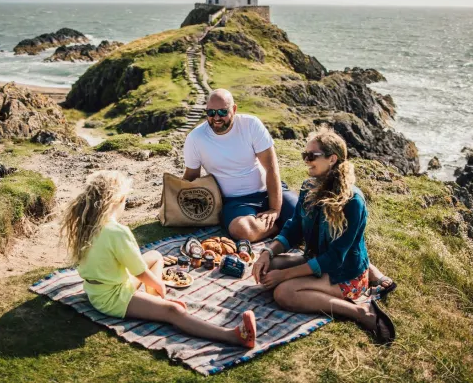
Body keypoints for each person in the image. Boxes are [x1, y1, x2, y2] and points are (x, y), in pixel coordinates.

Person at [60, 170, 258, 348]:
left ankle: (151, 302)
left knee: (155, 256)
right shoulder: (117, 232)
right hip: (112, 298)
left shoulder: (88, 224)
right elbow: (140, 272)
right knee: (173, 311)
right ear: (118, 200)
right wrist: (161, 287)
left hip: (97, 289)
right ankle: (233, 336)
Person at [252, 128, 396, 344]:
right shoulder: (308, 187)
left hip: (344, 273)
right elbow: (294, 228)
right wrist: (266, 252)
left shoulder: (352, 201)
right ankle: (296, 277)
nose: (306, 161)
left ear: (332, 159)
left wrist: (286, 275)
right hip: (315, 259)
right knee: (267, 268)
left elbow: (335, 258)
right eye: (305, 155)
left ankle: (360, 312)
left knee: (284, 293)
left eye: (312, 156)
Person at [182, 89, 298, 241]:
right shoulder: (195, 138)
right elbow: (191, 177)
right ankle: (284, 228)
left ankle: (282, 224)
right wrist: (173, 202)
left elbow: (271, 168)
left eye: (223, 112)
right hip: (235, 202)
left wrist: (275, 209)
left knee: (306, 213)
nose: (216, 117)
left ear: (234, 109)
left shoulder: (251, 125)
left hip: (268, 191)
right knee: (242, 230)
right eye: (211, 112)